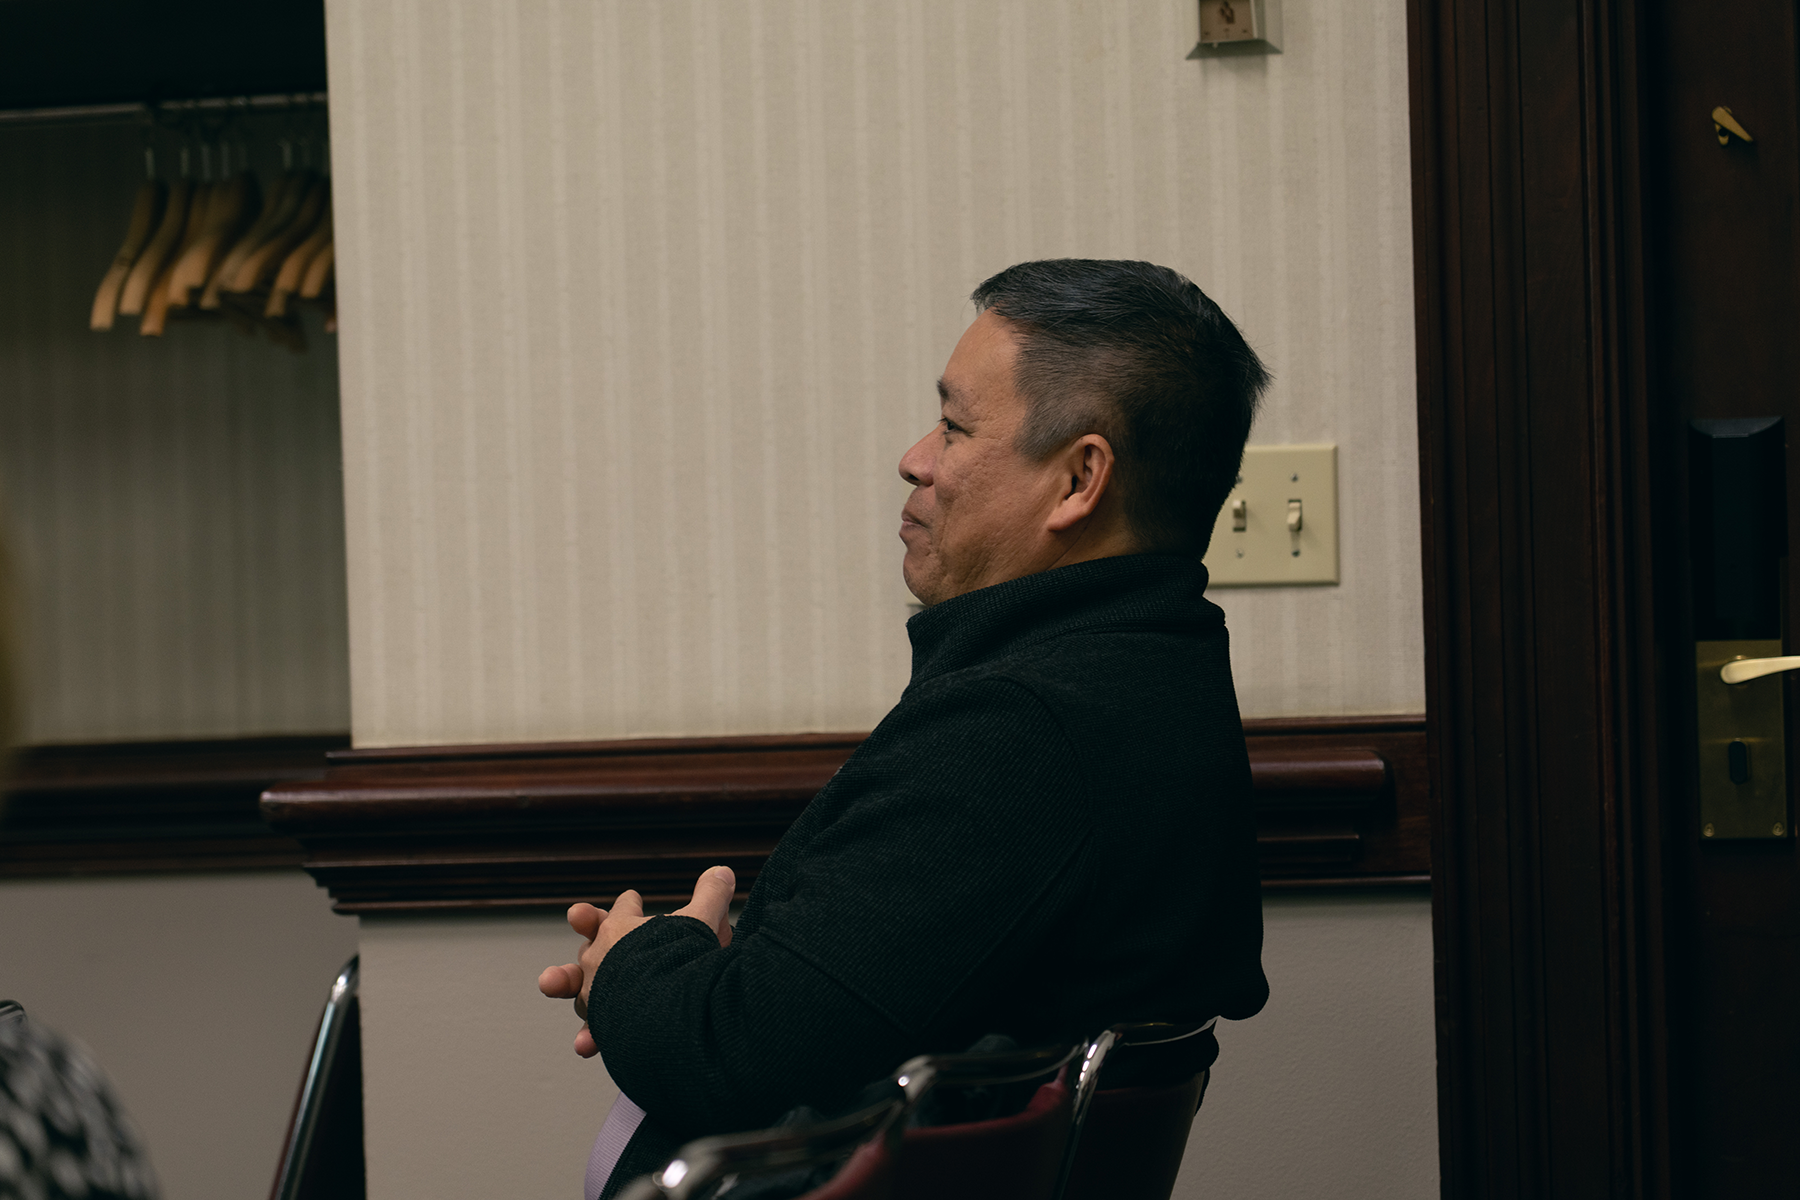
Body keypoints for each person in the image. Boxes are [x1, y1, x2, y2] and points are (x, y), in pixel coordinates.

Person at [540, 259, 1272, 1199]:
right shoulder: (1141, 682)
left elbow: (734, 1057)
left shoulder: (1026, 732)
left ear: (1080, 478)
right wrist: (719, 972)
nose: (916, 456)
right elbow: (870, 1004)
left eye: (956, 426)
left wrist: (640, 962)